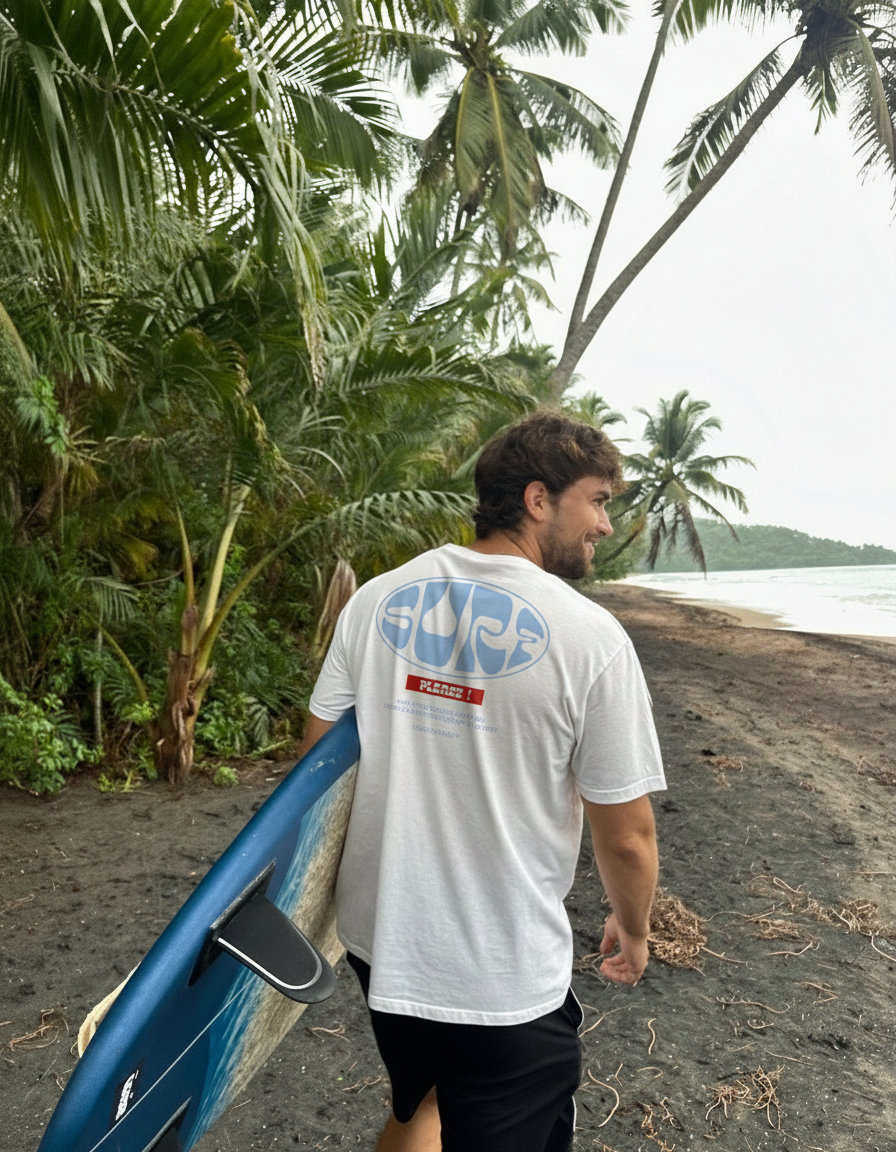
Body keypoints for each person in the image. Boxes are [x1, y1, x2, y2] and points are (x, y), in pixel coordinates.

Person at [299, 411, 666, 1152]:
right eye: (597, 501)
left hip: (380, 941)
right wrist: (634, 928)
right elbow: (626, 837)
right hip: (498, 973)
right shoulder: (590, 638)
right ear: (538, 499)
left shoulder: (376, 599)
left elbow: (318, 765)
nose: (604, 524)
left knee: (426, 1099)